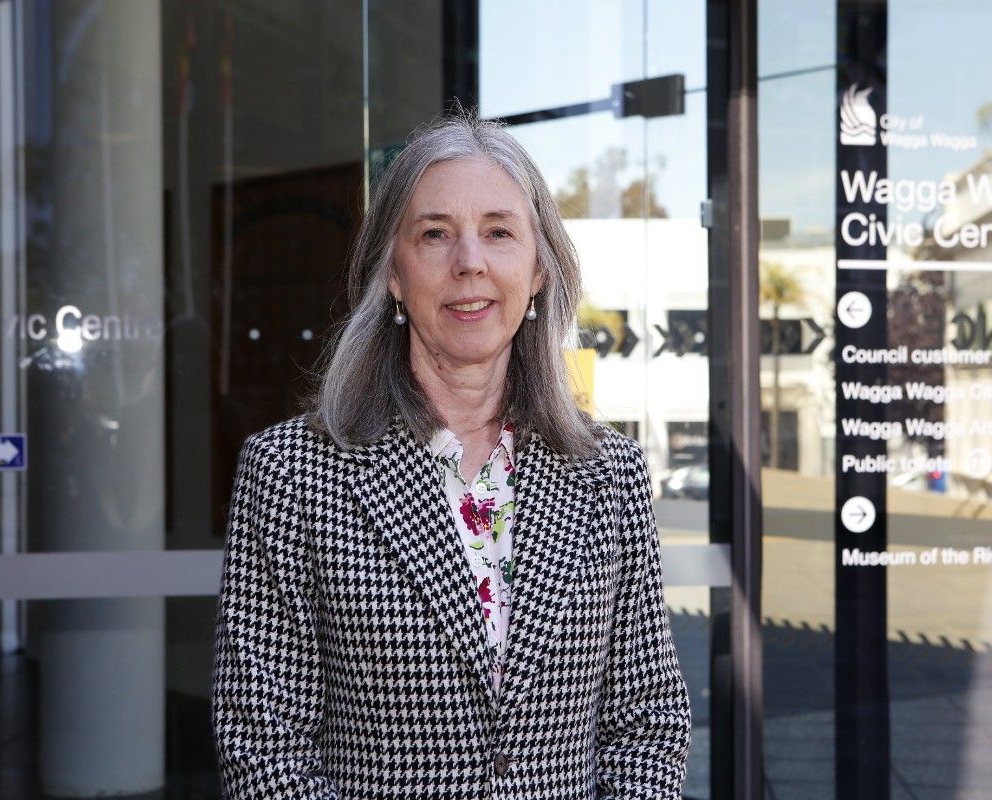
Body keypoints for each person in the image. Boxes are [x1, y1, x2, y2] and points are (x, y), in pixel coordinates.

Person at [211, 111, 692, 799]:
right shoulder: (292, 473)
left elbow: (646, 721)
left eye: (499, 232)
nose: (470, 261)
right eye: (435, 235)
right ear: (395, 276)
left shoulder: (607, 472)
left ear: (538, 271)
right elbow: (263, 745)